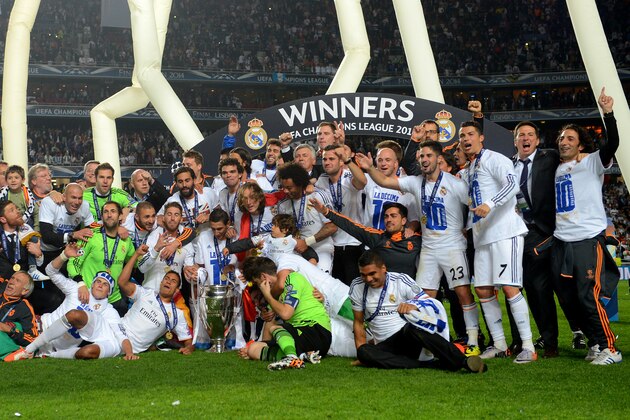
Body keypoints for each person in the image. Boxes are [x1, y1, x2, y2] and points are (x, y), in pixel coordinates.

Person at [356, 140, 481, 354]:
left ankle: (473, 341)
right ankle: (429, 343)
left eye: (428, 156)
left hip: (452, 247)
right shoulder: (415, 182)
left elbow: (475, 206)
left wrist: (467, 228)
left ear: (438, 159)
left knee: (462, 293)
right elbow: (386, 181)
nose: (424, 160)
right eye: (421, 156)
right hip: (429, 249)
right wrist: (369, 168)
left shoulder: (455, 183)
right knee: (424, 297)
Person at [551, 88, 621, 365]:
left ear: (581, 145)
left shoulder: (592, 161)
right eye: (561, 138)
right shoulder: (557, 168)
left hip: (586, 240)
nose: (564, 141)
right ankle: (593, 342)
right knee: (569, 299)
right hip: (561, 241)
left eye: (570, 138)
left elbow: (612, 143)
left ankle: (610, 348)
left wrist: (608, 114)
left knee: (586, 296)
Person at [459, 120, 536, 363]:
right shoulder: (468, 169)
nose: (465, 139)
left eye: (470, 134)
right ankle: (500, 343)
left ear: (481, 137)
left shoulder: (495, 158)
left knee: (510, 287)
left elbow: (512, 185)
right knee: (482, 289)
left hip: (504, 232)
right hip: (482, 236)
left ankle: (528, 346)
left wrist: (489, 204)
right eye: (462, 136)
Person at [510, 120, 583, 358]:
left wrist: (586, 155)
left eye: (530, 134)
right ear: (516, 140)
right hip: (523, 233)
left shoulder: (550, 158)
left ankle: (581, 332)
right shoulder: (508, 165)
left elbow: (573, 157)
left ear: (537, 140)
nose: (525, 138)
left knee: (563, 288)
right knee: (535, 289)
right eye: (521, 135)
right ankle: (548, 340)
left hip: (551, 232)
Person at [349, 251, 486, 372]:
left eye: (372, 274)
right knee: (363, 351)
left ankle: (465, 362)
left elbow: (430, 303)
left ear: (383, 268)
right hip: (385, 348)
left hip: (408, 338)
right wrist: (364, 357)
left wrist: (414, 305)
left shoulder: (401, 280)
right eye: (363, 275)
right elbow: (359, 322)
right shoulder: (357, 286)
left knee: (411, 329)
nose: (368, 279)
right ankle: (428, 365)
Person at [5, 245, 134, 361]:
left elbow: (120, 335)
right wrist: (64, 256)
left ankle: (30, 352)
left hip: (52, 349)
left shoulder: (108, 312)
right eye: (98, 282)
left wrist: (129, 353)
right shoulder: (76, 289)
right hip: (35, 327)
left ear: (109, 292)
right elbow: (51, 271)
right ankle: (26, 350)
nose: (100, 285)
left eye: (105, 284)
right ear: (92, 284)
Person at [240, 256, 332, 370]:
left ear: (264, 277)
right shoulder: (276, 295)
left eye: (258, 283)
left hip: (317, 331)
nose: (260, 287)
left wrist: (268, 296)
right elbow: (269, 326)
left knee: (275, 328)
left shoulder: (293, 279)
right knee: (254, 349)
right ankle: (303, 356)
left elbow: (286, 314)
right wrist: (260, 346)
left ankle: (291, 357)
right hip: (301, 337)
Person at [118, 245, 194, 355]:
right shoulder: (144, 293)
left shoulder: (177, 314)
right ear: (161, 283)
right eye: (166, 279)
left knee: (89, 352)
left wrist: (189, 348)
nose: (168, 282)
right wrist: (136, 255)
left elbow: (188, 341)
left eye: (173, 281)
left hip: (132, 347)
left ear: (177, 290)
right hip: (118, 331)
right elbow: (122, 282)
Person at [67, 201, 135, 316]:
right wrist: (81, 284)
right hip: (88, 296)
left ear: (120, 216)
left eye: (113, 211)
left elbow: (135, 262)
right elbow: (73, 262)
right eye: (106, 212)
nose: (109, 215)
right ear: (102, 216)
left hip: (114, 299)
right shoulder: (91, 236)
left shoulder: (126, 241)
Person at [315, 145, 366, 284]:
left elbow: (362, 182)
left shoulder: (349, 177)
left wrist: (349, 161)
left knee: (353, 290)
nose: (327, 162)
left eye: (332, 159)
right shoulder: (322, 180)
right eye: (325, 159)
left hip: (353, 244)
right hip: (332, 245)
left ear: (341, 162)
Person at [277, 163, 337, 273]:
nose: (285, 191)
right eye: (283, 187)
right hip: (297, 249)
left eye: (289, 188)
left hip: (321, 247)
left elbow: (332, 226)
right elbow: (283, 233)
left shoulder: (317, 196)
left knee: (319, 281)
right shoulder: (282, 205)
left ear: (300, 184)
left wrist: (307, 241)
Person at [361, 141, 418, 230]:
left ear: (396, 163)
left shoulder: (406, 186)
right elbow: (352, 179)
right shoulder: (369, 179)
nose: (383, 163)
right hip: (370, 240)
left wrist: (410, 230)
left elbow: (414, 219)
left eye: (387, 160)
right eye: (380, 160)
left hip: (394, 242)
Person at [225, 213, 318, 264]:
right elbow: (246, 243)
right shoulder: (265, 237)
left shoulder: (292, 240)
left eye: (275, 226)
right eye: (272, 225)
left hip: (288, 273)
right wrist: (229, 248)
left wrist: (312, 260)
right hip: (270, 272)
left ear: (285, 230)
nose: (272, 227)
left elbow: (307, 250)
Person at [0, 201, 45, 283]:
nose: (18, 211)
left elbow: (40, 266)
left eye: (17, 208)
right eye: (12, 210)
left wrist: (38, 255)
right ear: (3, 219)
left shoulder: (27, 233)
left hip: (25, 284)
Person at [159, 167, 214, 231]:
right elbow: (158, 219)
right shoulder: (172, 201)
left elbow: (222, 214)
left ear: (194, 180)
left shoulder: (208, 193)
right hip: (183, 240)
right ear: (176, 184)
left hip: (209, 239)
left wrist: (209, 217)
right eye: (180, 181)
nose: (184, 185)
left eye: (187, 180)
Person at [0, 271, 37, 359]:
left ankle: (11, 353)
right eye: (12, 278)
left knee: (17, 326)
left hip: (4, 336)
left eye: (18, 281)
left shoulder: (24, 307)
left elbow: (33, 340)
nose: (11, 282)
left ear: (25, 291)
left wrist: (11, 330)